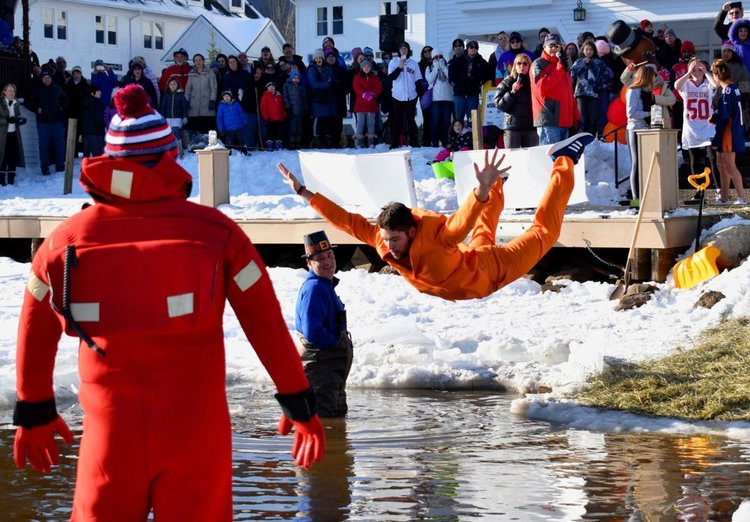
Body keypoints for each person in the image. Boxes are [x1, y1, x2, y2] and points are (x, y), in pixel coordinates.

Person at [12, 84, 325, 520]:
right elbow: (265, 323)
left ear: (109, 163)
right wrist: (299, 403)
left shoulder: (64, 241)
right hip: (195, 432)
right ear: (171, 157)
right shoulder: (218, 234)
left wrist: (34, 410)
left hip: (109, 434)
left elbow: (34, 325)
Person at [277, 132, 595, 301]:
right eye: (386, 239)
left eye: (396, 239)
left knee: (544, 233)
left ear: (412, 232)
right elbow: (344, 220)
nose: (390, 246)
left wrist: (479, 194)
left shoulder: (435, 236)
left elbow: (460, 224)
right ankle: (496, 184)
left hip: (488, 271)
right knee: (483, 232)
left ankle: (563, 159)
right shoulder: (382, 240)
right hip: (467, 264)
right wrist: (304, 192)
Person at [295, 231, 354, 418]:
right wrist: (337, 344)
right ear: (309, 263)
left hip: (331, 373)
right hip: (322, 370)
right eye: (320, 258)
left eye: (330, 255)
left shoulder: (324, 285)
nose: (328, 261)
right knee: (323, 422)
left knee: (335, 420)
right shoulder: (315, 289)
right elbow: (313, 332)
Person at [675, 58, 720, 200]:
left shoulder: (708, 82)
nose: (696, 71)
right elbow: (676, 86)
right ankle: (699, 190)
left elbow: (716, 84)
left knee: (712, 158)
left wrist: (705, 71)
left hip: (708, 126)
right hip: (691, 127)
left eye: (698, 68)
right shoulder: (686, 84)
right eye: (694, 69)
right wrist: (689, 71)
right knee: (694, 159)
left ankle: (718, 189)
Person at [710, 58, 748, 204]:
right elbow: (728, 110)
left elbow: (726, 117)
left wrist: (717, 138)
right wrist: (715, 117)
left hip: (729, 131)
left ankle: (742, 197)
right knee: (721, 163)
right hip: (733, 128)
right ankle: (724, 197)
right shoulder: (734, 88)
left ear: (717, 75)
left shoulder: (727, 90)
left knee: (729, 164)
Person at [531, 33, 578, 145]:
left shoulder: (562, 65)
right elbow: (542, 88)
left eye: (557, 46)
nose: (554, 48)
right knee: (549, 158)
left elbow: (569, 92)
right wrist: (559, 69)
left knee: (561, 159)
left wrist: (575, 114)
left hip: (564, 121)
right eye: (551, 45)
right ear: (544, 47)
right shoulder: (538, 64)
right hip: (549, 120)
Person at [24, 70, 67, 176]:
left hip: (57, 122)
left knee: (60, 145)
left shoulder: (57, 89)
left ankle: (60, 166)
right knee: (43, 146)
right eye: (44, 78)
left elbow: (66, 100)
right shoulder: (37, 90)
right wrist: (36, 109)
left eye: (48, 77)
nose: (46, 79)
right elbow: (27, 102)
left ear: (51, 78)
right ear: (41, 79)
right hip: (43, 123)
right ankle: (45, 167)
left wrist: (61, 108)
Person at [495, 53, 538, 149]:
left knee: (531, 160)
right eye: (519, 63)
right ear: (515, 65)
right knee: (513, 160)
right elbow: (499, 105)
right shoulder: (507, 82)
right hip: (513, 129)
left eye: (525, 63)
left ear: (530, 66)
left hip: (531, 128)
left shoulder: (535, 83)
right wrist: (512, 92)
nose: (522, 66)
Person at [569, 41, 609, 136]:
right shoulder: (578, 61)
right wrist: (583, 63)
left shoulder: (599, 62)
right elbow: (572, 74)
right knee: (582, 118)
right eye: (587, 49)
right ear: (583, 50)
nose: (589, 51)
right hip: (581, 94)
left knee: (593, 119)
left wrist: (599, 89)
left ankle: (591, 138)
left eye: (591, 49)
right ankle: (582, 138)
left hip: (594, 94)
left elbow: (604, 77)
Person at [388, 41, 423, 148]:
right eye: (402, 48)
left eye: (406, 48)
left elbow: (418, 80)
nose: (404, 50)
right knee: (396, 120)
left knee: (411, 121)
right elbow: (391, 77)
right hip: (397, 96)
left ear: (408, 50)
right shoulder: (393, 62)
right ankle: (395, 143)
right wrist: (399, 67)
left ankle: (414, 142)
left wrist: (417, 94)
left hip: (411, 97)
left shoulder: (413, 63)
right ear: (399, 50)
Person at [423, 48, 454, 147]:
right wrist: (436, 68)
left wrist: (443, 67)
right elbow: (429, 80)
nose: (438, 58)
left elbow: (451, 77)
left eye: (440, 56)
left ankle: (446, 141)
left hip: (448, 98)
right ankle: (435, 141)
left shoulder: (448, 66)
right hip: (435, 99)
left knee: (446, 121)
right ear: (432, 58)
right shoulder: (429, 68)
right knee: (435, 120)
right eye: (436, 57)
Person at [352, 58, 383, 148]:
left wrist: (373, 93)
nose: (366, 68)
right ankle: (358, 143)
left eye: (368, 66)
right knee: (360, 124)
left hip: (371, 104)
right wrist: (363, 94)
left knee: (371, 124)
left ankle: (371, 142)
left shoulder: (374, 77)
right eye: (364, 66)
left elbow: (379, 88)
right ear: (361, 67)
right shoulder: (357, 77)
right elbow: (356, 87)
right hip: (361, 105)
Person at [185, 53, 218, 135]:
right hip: (194, 106)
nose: (198, 62)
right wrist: (186, 100)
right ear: (194, 62)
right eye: (196, 60)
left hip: (207, 105)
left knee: (207, 131)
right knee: (195, 131)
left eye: (200, 60)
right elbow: (188, 89)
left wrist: (212, 100)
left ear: (203, 61)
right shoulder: (191, 73)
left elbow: (213, 87)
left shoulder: (209, 72)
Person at [0, 83, 25, 186]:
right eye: (9, 91)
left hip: (14, 134)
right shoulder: (1, 103)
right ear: (4, 92)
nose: (11, 93)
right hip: (2, 136)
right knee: (2, 157)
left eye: (13, 91)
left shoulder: (16, 103)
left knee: (12, 157)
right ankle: (1, 181)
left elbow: (16, 117)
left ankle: (11, 181)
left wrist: (19, 120)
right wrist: (6, 120)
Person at [160, 76, 190, 155]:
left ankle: (179, 149)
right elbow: (163, 106)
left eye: (174, 84)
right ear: (168, 86)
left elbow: (184, 107)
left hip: (177, 118)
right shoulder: (166, 95)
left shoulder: (181, 95)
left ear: (177, 85)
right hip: (168, 118)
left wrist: (185, 117)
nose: (173, 86)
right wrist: (161, 116)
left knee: (176, 131)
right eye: (171, 84)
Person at [283, 70, 308, 149]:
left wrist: (305, 107)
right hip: (292, 109)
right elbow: (285, 96)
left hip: (300, 110)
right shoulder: (287, 85)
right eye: (294, 78)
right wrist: (288, 107)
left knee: (299, 126)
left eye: (297, 78)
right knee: (292, 126)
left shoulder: (301, 87)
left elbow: (304, 98)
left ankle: (298, 142)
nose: (296, 80)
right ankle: (291, 142)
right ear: (291, 78)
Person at [79, 85, 105, 157]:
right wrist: (103, 127)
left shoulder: (83, 102)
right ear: (92, 93)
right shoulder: (97, 103)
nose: (100, 92)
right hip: (96, 133)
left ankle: (85, 168)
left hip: (86, 133)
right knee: (98, 157)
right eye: (98, 91)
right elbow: (99, 118)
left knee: (86, 157)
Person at [260, 81, 286, 150]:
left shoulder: (279, 96)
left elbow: (282, 106)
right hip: (270, 119)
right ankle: (270, 145)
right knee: (270, 132)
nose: (271, 87)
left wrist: (283, 114)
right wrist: (266, 117)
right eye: (269, 86)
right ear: (267, 88)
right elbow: (263, 108)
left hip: (279, 118)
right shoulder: (265, 97)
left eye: (273, 86)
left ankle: (278, 145)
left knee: (279, 132)